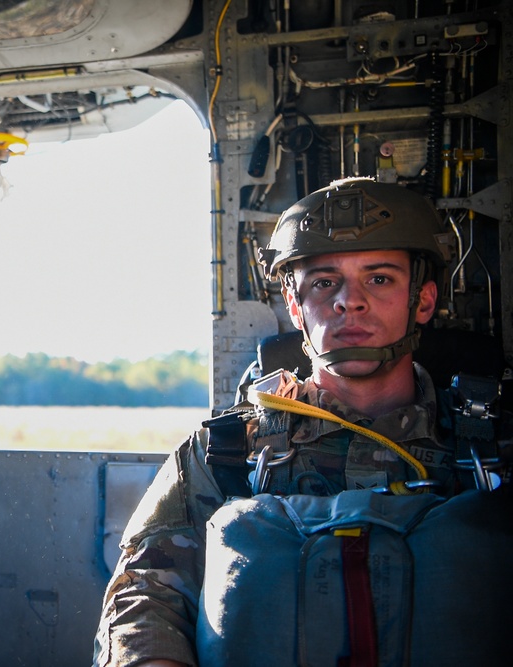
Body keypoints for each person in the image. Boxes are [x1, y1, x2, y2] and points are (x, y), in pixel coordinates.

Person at [94, 177, 513, 667]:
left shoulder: (493, 446)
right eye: (323, 283)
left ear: (422, 301)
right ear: (295, 306)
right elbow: (144, 595)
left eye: (379, 279)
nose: (348, 302)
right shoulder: (227, 453)